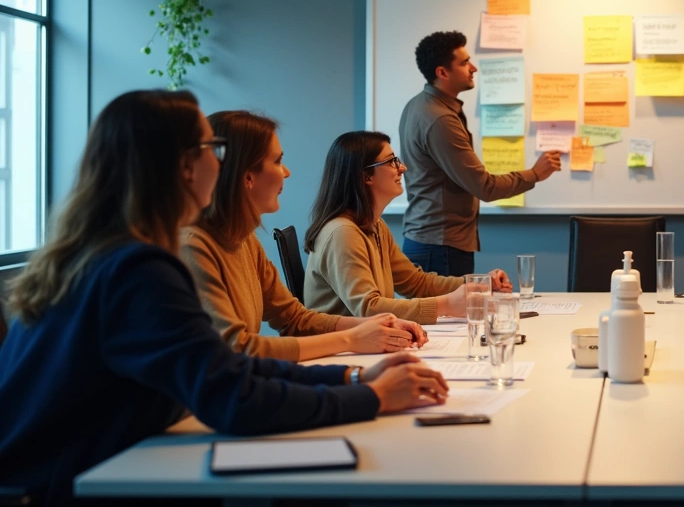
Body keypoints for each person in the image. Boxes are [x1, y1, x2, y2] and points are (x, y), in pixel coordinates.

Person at [0, 90, 448, 505]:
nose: (222, 163)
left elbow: (225, 367)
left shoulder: (106, 252)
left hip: (81, 469)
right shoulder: (138, 268)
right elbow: (233, 397)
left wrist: (351, 380)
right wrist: (374, 398)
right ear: (183, 167)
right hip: (59, 489)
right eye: (213, 151)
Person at [181, 110, 431, 361]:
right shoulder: (194, 247)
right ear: (247, 177)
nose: (286, 172)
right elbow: (237, 349)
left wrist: (373, 327)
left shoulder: (245, 240)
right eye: (278, 161)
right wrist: (351, 339)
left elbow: (294, 318)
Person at [399, 31, 562, 276]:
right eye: (464, 63)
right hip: (441, 246)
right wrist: (535, 174)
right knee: (452, 316)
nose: (473, 68)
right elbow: (485, 187)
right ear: (442, 73)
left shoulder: (419, 105)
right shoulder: (440, 119)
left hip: (431, 241)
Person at [303, 131, 511, 323]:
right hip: (342, 353)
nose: (403, 167)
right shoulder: (343, 233)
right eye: (392, 161)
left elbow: (415, 282)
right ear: (366, 177)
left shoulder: (375, 226)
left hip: (366, 344)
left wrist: (481, 284)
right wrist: (446, 304)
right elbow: (368, 308)